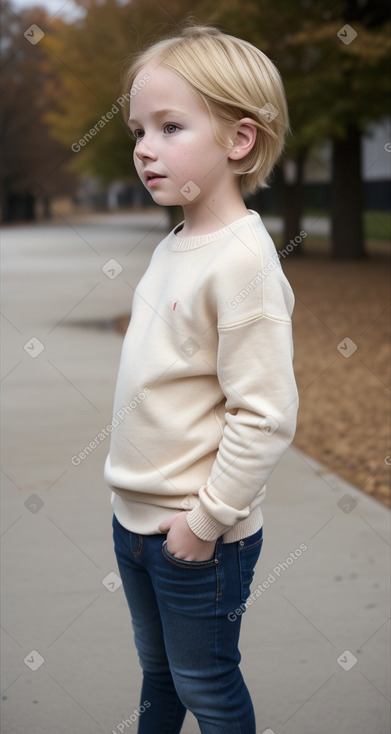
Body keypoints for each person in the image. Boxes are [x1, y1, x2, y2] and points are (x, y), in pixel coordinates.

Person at [104, 23, 299, 734]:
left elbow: (266, 414)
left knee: (206, 686)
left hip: (193, 536)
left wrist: (206, 521)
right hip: (133, 519)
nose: (144, 148)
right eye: (137, 130)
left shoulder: (241, 262)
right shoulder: (178, 242)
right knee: (159, 677)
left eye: (169, 126)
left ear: (238, 141)